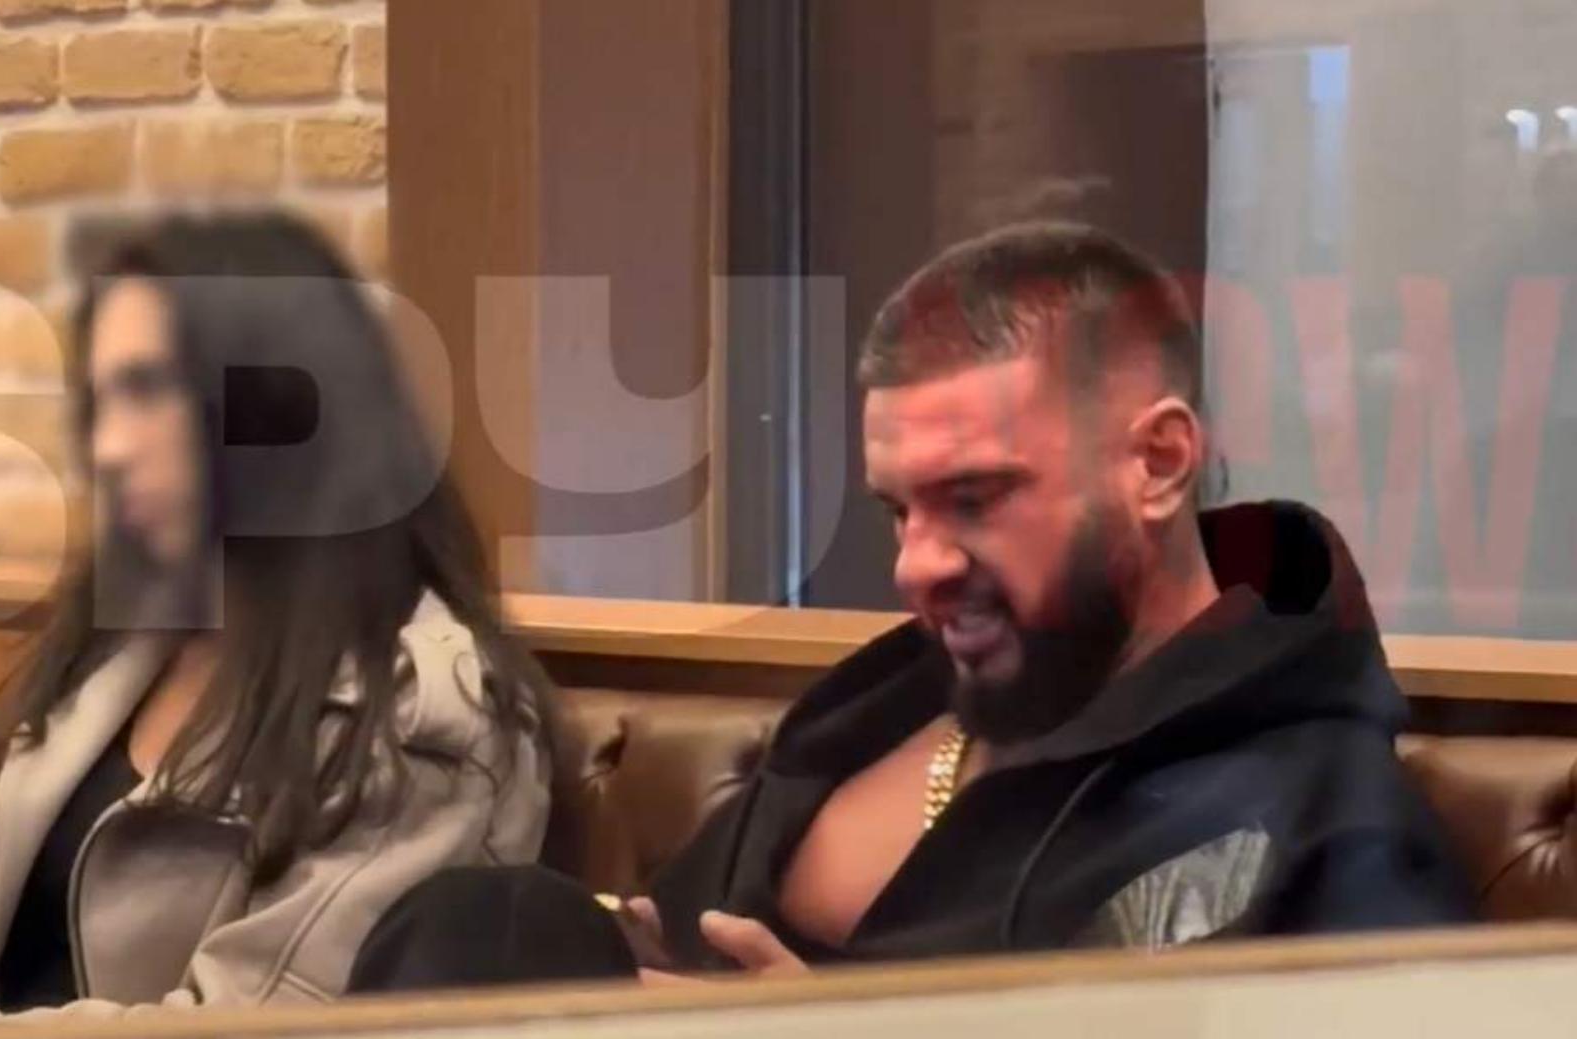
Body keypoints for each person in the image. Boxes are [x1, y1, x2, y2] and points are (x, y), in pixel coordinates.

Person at [346, 222, 1476, 990]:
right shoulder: (867, 719)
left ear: (1159, 462)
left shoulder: (1323, 819)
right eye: (898, 511)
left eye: (974, 500)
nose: (915, 564)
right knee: (484, 925)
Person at [0, 213, 555, 1017]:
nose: (109, 447)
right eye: (102, 401)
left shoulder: (421, 715)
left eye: (149, 391)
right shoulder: (116, 648)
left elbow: (248, 1026)